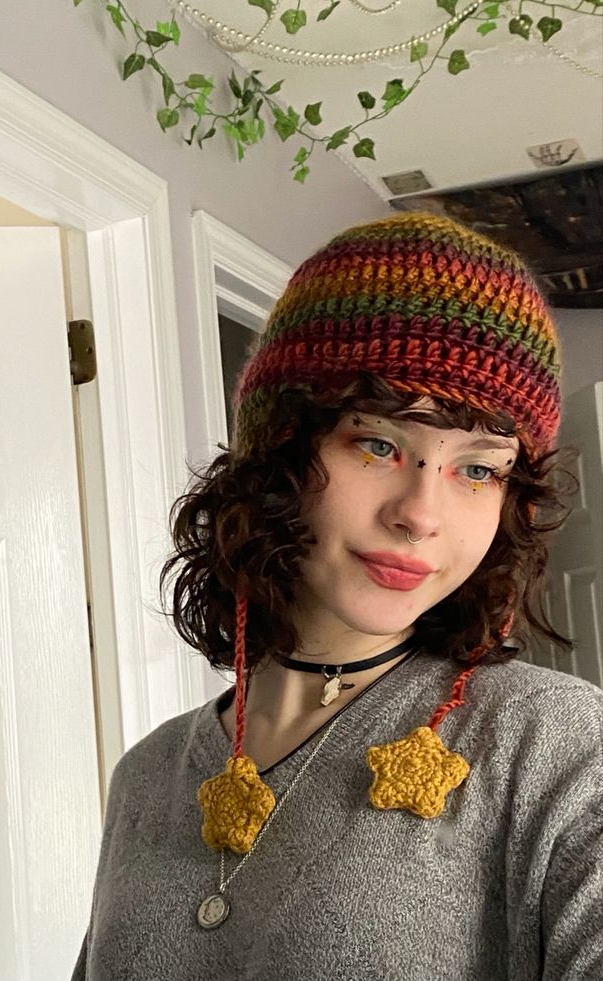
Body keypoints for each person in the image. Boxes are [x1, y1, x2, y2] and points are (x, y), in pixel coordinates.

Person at [71, 212, 603, 981]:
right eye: (379, 444)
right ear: (279, 451)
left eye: (478, 468)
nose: (420, 514)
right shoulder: (148, 773)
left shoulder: (554, 746)